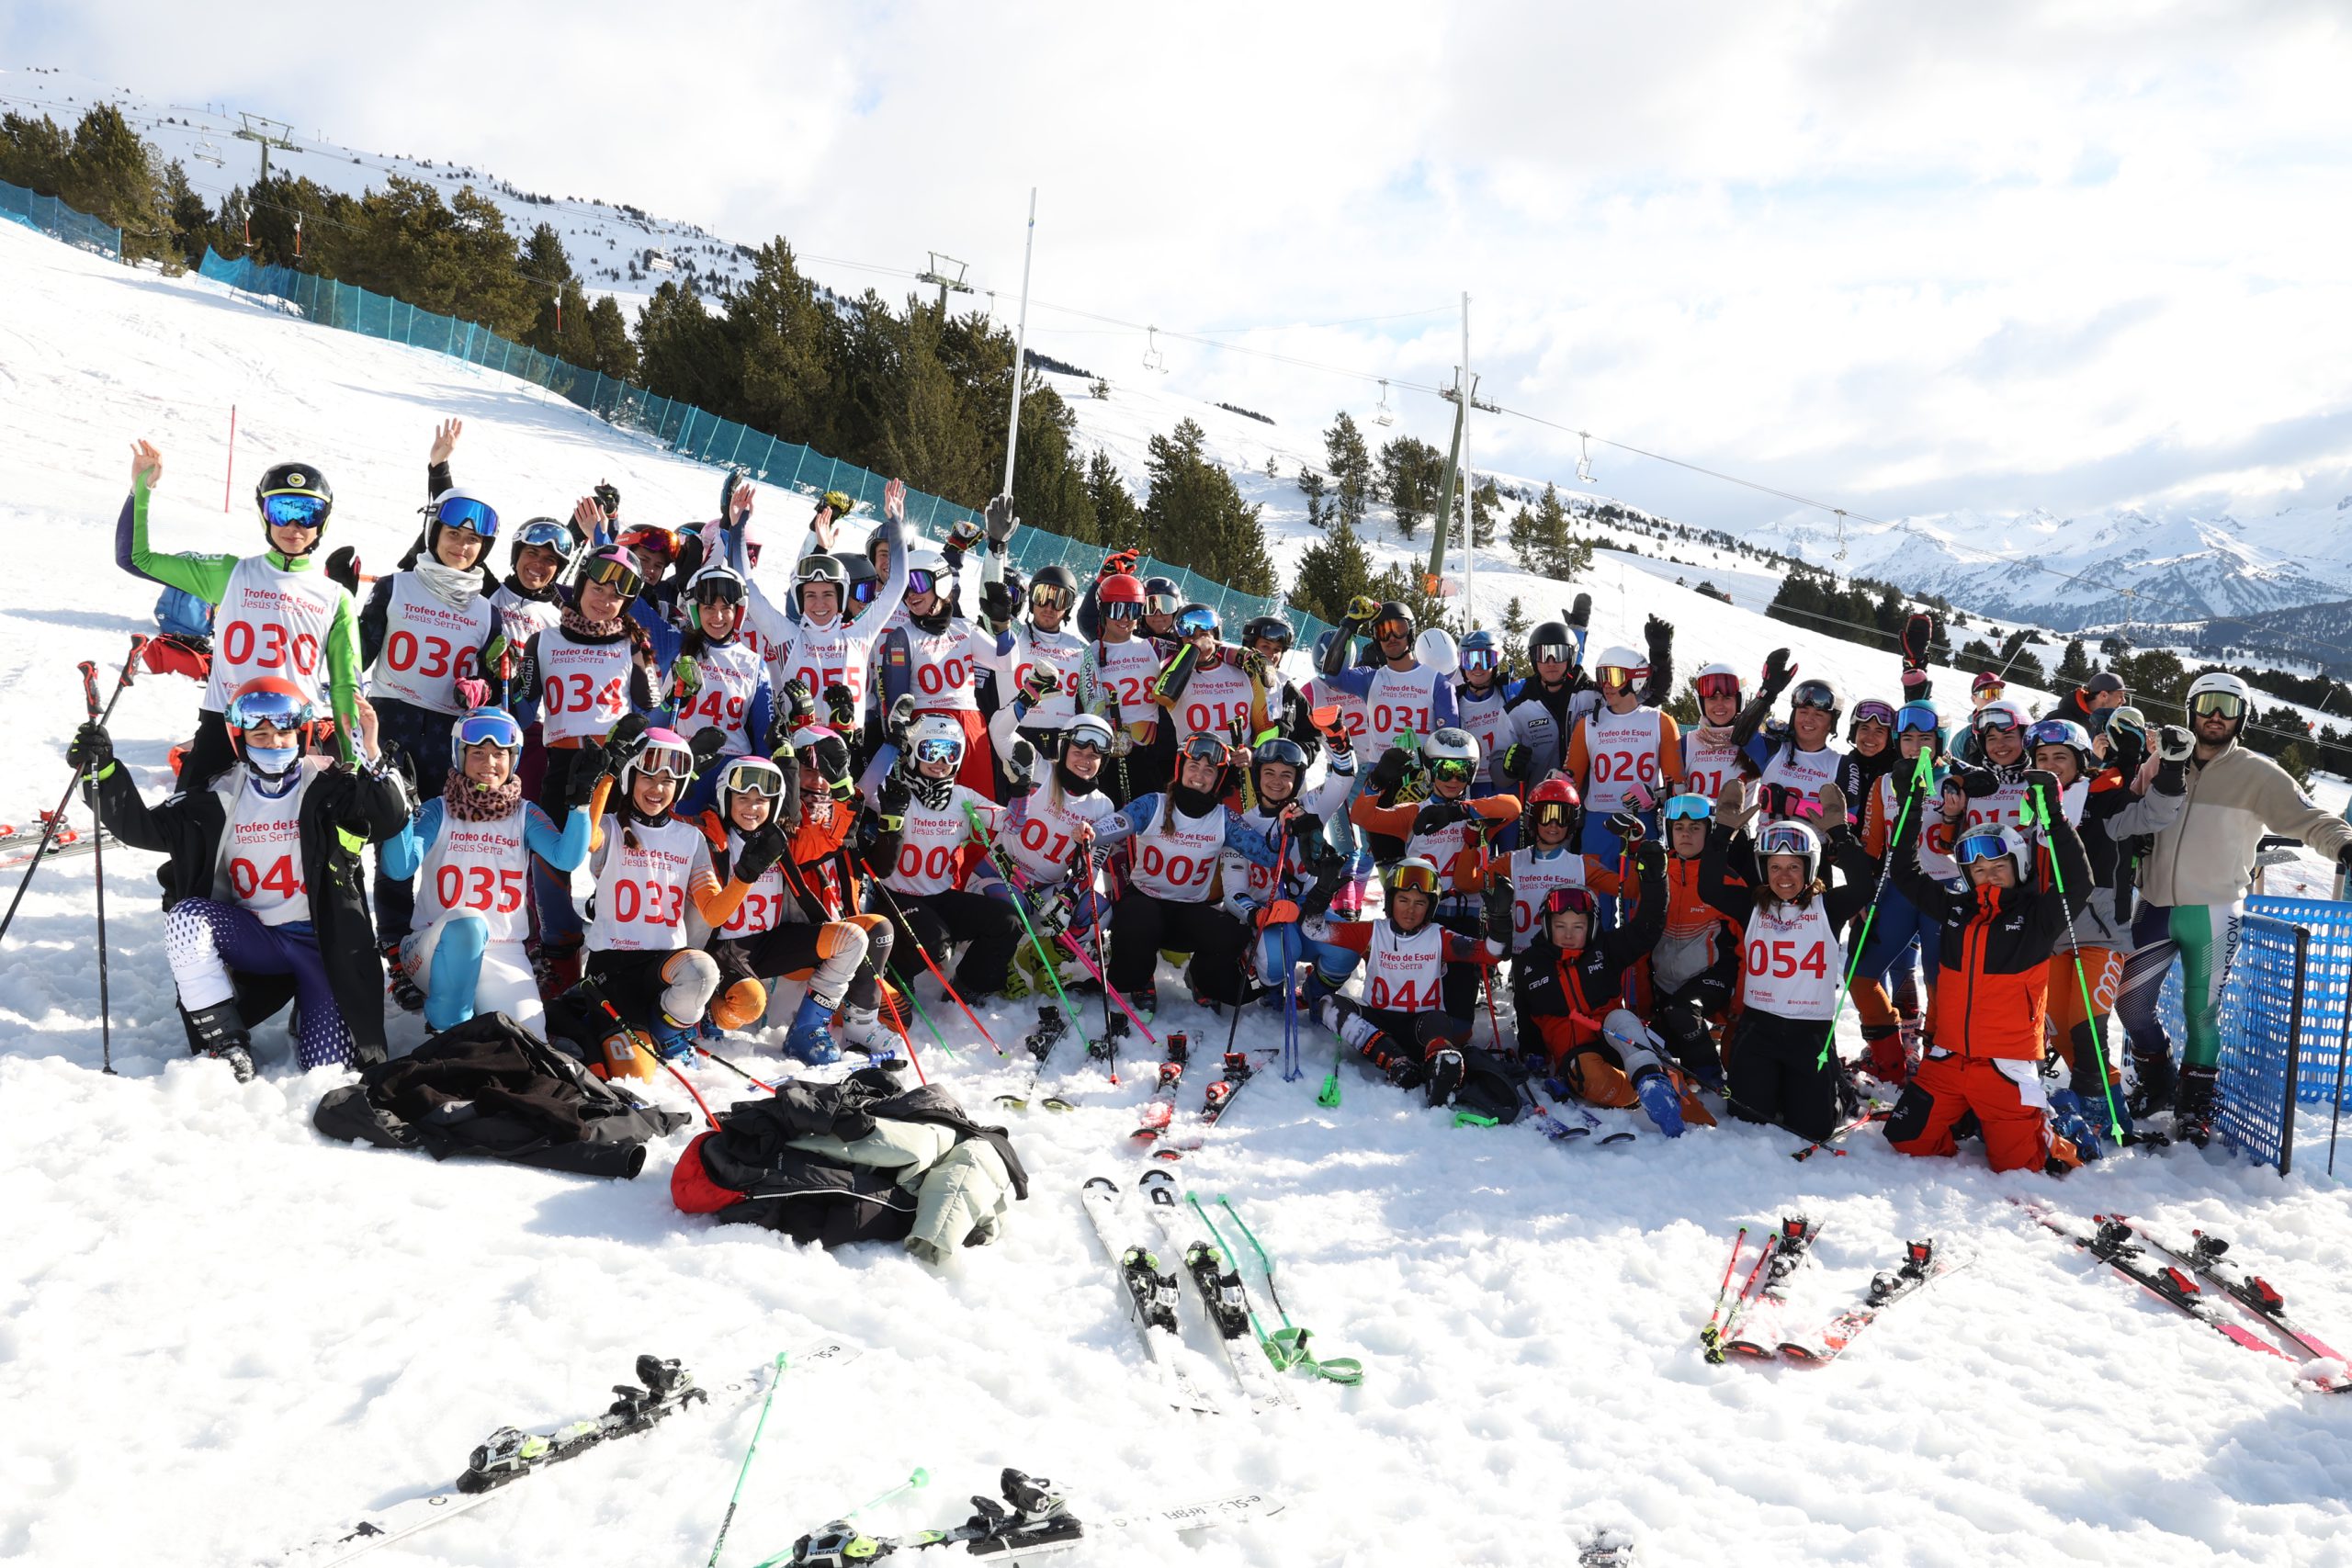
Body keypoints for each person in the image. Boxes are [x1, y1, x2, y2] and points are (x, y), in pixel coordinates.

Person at [73, 679, 406, 1077]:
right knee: (186, 919)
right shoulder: (217, 795)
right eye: (260, 735)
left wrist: (371, 750)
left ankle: (311, 1006)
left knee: (328, 1069)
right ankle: (225, 1041)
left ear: (301, 735)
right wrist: (103, 771)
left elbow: (390, 819)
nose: (274, 744)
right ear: (239, 739)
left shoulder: (332, 785)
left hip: (323, 945)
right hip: (254, 939)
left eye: (283, 734)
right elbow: (142, 827)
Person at [2114, 671, 2352, 1144]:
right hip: (2155, 905)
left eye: (2229, 707)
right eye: (2208, 705)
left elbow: (2310, 819)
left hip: (2214, 912)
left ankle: (2195, 1103)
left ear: (2242, 716)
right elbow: (2126, 811)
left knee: (2201, 1013)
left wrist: (2344, 845)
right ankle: (2158, 1078)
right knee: (2130, 1004)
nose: (2217, 716)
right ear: (2191, 711)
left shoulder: (2258, 774)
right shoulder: (2163, 761)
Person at [117, 440, 362, 786]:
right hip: (223, 725)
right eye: (282, 510)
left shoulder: (335, 597)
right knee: (195, 818)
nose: (294, 525)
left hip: (292, 734)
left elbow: (345, 687)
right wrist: (141, 489)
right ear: (264, 513)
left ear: (323, 520)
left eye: (308, 513)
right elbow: (134, 558)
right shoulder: (231, 574)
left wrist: (353, 763)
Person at [1885, 769, 2094, 1174]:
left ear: (2019, 866)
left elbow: (2078, 883)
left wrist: (2054, 814)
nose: (1989, 875)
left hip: (2005, 1066)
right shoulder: (1955, 910)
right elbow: (1906, 874)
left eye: (1998, 866)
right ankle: (1970, 1116)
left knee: (2019, 1168)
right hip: (1947, 1059)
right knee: (1907, 1140)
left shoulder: (2038, 917)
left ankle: (2056, 1124)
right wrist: (1911, 804)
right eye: (1978, 870)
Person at [544, 728, 766, 1077]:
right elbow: (586, 841)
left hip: (663, 967)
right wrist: (606, 778)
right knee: (637, 1077)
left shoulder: (690, 837)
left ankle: (667, 1032)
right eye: (648, 777)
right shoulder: (610, 827)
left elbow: (712, 912)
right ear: (631, 777)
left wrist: (745, 877)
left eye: (668, 781)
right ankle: (591, 1012)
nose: (658, 789)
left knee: (703, 970)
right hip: (612, 969)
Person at [2024, 712, 2186, 1155]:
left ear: (2080, 761)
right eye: (2043, 757)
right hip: (2049, 939)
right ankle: (2097, 1108)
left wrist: (2172, 766)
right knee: (2059, 1033)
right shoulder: (2029, 806)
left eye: (2061, 757)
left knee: (2088, 1031)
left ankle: (2110, 1119)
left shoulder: (2103, 801)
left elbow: (2156, 813)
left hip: (2099, 937)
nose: (2051, 765)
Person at [380, 707, 592, 1035]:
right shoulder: (438, 809)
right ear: (460, 755)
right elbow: (398, 868)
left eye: (499, 754)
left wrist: (581, 805)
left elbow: (565, 859)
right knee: (467, 923)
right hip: (431, 947)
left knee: (529, 1036)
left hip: (503, 950)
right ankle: (446, 1030)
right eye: (478, 753)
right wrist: (401, 815)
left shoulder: (524, 814)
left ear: (513, 759)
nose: (489, 763)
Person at [509, 546, 662, 995]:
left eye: (616, 597)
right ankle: (560, 955)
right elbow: (521, 711)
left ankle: (623, 954)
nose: (604, 601)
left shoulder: (633, 644)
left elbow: (652, 712)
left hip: (616, 769)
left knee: (624, 861)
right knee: (550, 861)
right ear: (580, 587)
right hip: (562, 764)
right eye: (597, 589)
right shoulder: (543, 641)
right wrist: (504, 682)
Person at [361, 486, 504, 951]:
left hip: (445, 737)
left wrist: (481, 691)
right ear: (434, 534)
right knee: (388, 837)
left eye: (472, 540)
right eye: (453, 534)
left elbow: (494, 684)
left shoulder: (487, 613)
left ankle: (437, 939)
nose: (461, 546)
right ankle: (390, 939)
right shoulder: (395, 586)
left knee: (441, 841)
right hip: (390, 725)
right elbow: (358, 653)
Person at [695, 745, 897, 1066]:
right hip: (727, 947)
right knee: (748, 1002)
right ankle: (711, 1014)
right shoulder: (709, 838)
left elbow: (833, 836)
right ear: (725, 798)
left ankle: (807, 1027)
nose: (752, 808)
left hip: (773, 940)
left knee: (853, 938)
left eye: (762, 801)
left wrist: (843, 787)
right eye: (743, 798)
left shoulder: (782, 841)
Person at [1695, 810, 1880, 1143]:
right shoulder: (1752, 905)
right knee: (1747, 1115)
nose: (1783, 876)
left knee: (1814, 1129)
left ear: (1809, 867)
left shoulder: (1828, 907)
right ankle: (1780, 1086)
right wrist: (1721, 833)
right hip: (1759, 1029)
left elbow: (1865, 888)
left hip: (1809, 1034)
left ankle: (1838, 1087)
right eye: (1775, 867)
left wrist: (1840, 833)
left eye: (1794, 866)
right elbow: (1708, 889)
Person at [1092, 734, 1293, 1018]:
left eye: (1209, 770)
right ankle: (1140, 978)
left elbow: (1269, 856)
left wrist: (1286, 826)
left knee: (1231, 936)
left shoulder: (1224, 818)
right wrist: (1093, 832)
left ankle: (1200, 979)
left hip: (1189, 912)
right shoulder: (1154, 804)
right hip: (1145, 902)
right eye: (1193, 767)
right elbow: (1121, 821)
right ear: (1180, 769)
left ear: (1217, 779)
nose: (1200, 776)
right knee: (1138, 921)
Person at [1514, 848, 1705, 1136]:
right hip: (1576, 1056)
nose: (1569, 934)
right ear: (1546, 925)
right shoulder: (1530, 964)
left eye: (1578, 926)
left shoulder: (1605, 948)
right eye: (1560, 926)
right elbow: (1525, 1013)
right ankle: (1646, 1092)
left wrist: (1655, 881)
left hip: (1615, 1038)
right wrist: (1532, 1052)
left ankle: (1651, 1080)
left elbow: (1647, 928)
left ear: (1591, 926)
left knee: (1621, 1017)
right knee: (1589, 1072)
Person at [1307, 858, 1508, 1108]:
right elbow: (1313, 929)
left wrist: (1500, 919)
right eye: (1403, 900)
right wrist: (1321, 892)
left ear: (1430, 907)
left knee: (1438, 1019)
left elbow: (1492, 953)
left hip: (1421, 1028)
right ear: (1391, 900)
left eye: (1419, 903)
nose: (1410, 910)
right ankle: (1397, 1063)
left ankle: (1441, 1064)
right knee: (1328, 1004)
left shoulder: (1439, 937)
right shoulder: (1372, 932)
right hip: (1376, 1029)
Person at [855, 714, 1024, 1004]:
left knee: (1007, 922)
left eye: (951, 752)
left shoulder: (962, 797)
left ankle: (968, 986)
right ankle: (895, 975)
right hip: (896, 898)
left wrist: (1021, 788)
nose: (941, 761)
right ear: (914, 752)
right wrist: (893, 743)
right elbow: (863, 791)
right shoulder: (899, 792)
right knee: (934, 944)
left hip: (939, 896)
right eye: (931, 750)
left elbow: (1012, 823)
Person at [1351, 728, 1521, 1014]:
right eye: (1445, 770)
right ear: (1430, 770)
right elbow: (1361, 816)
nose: (1454, 779)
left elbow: (1513, 807)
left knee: (1460, 1016)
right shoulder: (1413, 812)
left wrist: (1458, 812)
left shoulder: (1479, 812)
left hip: (1466, 915)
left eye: (1462, 771)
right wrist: (1376, 781)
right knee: (1416, 1003)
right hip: (1423, 916)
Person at [978, 714, 1124, 999]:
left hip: (1045, 890)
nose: (1085, 761)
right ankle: (1000, 962)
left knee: (1098, 911)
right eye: (1078, 751)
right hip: (998, 877)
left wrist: (1069, 895)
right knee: (1010, 906)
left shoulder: (1102, 806)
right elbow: (999, 731)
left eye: (1094, 756)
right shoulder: (1039, 770)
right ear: (1063, 748)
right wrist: (1027, 697)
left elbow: (1092, 867)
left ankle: (1040, 958)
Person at [1848, 701, 1950, 1081]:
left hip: (1943, 889)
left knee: (1941, 984)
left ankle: (1938, 1065)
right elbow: (1871, 846)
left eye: (1925, 739)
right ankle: (1890, 1058)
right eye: (1907, 739)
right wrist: (1861, 893)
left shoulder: (1956, 780)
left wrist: (1953, 817)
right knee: (1860, 975)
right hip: (1898, 889)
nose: (1916, 747)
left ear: (1940, 741)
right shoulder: (1884, 782)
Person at [1222, 733, 1354, 1008]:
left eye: (1286, 775)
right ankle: (1268, 983)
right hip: (1267, 912)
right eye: (1269, 773)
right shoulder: (1241, 826)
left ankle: (1313, 995)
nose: (1277, 781)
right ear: (1257, 776)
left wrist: (1337, 738)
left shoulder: (1310, 807)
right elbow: (1233, 893)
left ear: (1298, 778)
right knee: (1280, 957)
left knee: (1346, 949)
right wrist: (1258, 915)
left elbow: (1343, 780)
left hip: (1307, 908)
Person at [649, 562, 775, 818]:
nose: (718, 617)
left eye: (726, 608)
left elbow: (765, 737)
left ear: (738, 611)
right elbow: (628, 602)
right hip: (683, 765)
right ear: (695, 610)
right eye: (708, 608)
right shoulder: (676, 646)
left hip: (733, 773)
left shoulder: (754, 663)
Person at [875, 545, 1001, 798]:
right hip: (926, 728)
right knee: (930, 808)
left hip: (969, 725)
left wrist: (1004, 626)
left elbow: (1006, 663)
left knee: (977, 802)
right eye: (905, 588)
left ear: (940, 582)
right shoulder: (902, 637)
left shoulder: (964, 628)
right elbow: (897, 703)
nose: (911, 594)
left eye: (918, 583)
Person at [1566, 643, 1682, 919]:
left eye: (1615, 677)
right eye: (1602, 676)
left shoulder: (1660, 722)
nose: (1606, 685)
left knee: (1640, 904)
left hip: (1641, 821)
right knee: (1595, 906)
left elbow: (1678, 787)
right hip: (1599, 822)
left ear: (1636, 679)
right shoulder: (1588, 724)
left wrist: (1656, 797)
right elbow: (1570, 781)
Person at [1642, 792, 1744, 1089]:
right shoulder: (1657, 875)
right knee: (1657, 1038)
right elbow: (1641, 939)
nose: (1686, 834)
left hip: (1711, 975)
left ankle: (1711, 1078)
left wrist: (1740, 1003)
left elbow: (1747, 946)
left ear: (1709, 831)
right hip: (1666, 979)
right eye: (1679, 827)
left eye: (1695, 828)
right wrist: (1643, 1003)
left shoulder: (1727, 879)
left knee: (1682, 1012)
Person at [1498, 778, 1627, 955]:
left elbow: (1629, 889)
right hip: (1523, 958)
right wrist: (1479, 833)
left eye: (1562, 817)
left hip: (1564, 961)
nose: (1553, 824)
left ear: (1572, 822)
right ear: (1533, 817)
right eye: (1545, 815)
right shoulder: (1511, 861)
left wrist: (1634, 848)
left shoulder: (1583, 865)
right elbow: (1467, 882)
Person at [1315, 598, 1458, 750]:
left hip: (1419, 766)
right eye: (1383, 632)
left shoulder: (1438, 683)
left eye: (1398, 629)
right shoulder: (1370, 679)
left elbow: (1450, 745)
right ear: (1377, 640)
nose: (1391, 637)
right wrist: (1350, 623)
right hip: (1377, 766)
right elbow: (1332, 676)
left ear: (1410, 631)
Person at [1076, 572, 1168, 807]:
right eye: (1117, 610)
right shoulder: (1089, 654)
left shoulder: (1154, 647)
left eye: (1134, 610)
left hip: (1148, 755)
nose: (1126, 618)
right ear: (1103, 610)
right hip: (1106, 754)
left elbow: (1202, 650)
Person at [1151, 603, 1272, 746]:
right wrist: (1195, 647)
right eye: (1190, 637)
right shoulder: (1176, 676)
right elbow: (1164, 696)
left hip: (1237, 758)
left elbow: (1266, 729)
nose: (1199, 641)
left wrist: (1252, 752)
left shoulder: (1246, 674)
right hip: (1195, 759)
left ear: (1216, 636)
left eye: (1204, 635)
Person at [1679, 662, 1747, 805]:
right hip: (1694, 818)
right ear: (1701, 702)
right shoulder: (1686, 743)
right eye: (1712, 698)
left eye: (1727, 697)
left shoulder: (1751, 743)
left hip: (1738, 820)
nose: (1719, 704)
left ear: (1739, 700)